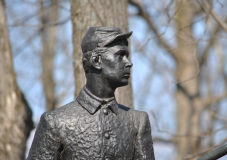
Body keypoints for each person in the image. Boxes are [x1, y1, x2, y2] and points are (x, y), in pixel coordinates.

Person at [27, 27, 155, 160]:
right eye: (120, 55)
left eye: (126, 56)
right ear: (96, 61)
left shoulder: (138, 122)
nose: (129, 63)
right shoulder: (56, 122)